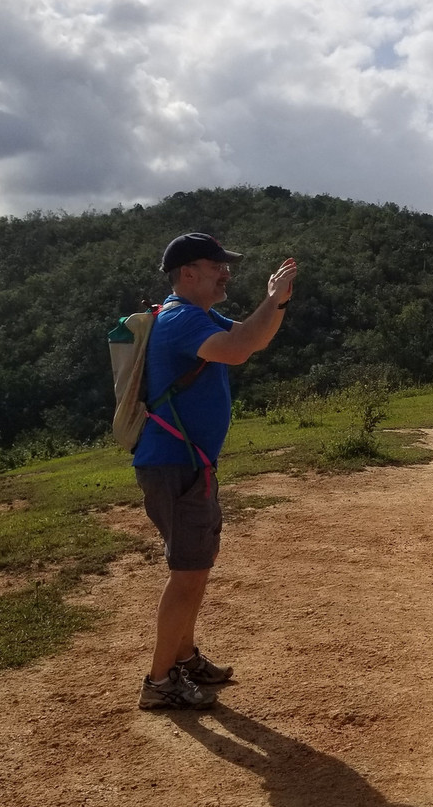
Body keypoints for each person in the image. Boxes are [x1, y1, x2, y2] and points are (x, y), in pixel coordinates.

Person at [135, 232, 297, 710]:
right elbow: (238, 348)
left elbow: (254, 339)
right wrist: (273, 299)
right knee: (187, 573)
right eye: (216, 265)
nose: (226, 271)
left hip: (186, 464)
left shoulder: (195, 315)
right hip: (176, 464)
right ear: (188, 272)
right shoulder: (183, 318)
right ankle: (159, 681)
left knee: (195, 567)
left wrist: (276, 305)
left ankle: (183, 659)